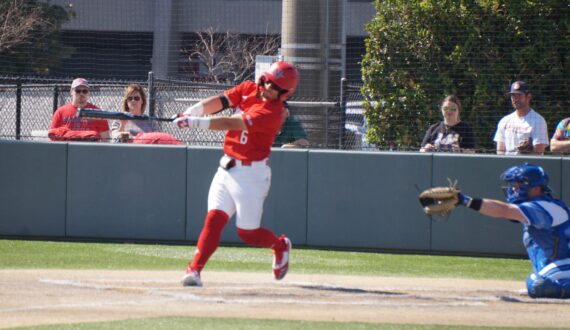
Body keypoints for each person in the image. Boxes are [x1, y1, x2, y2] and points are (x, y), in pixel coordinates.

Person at [173, 61, 298, 287]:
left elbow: (233, 122)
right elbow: (221, 102)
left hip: (251, 176)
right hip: (226, 168)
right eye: (268, 80)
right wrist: (194, 110)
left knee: (248, 233)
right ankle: (194, 271)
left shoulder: (273, 112)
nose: (268, 86)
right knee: (213, 219)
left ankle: (280, 246)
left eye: (275, 86)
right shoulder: (249, 87)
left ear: (284, 93)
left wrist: (194, 122)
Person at [455, 163, 570, 299]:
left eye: (519, 184)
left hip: (565, 266)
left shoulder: (543, 206)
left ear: (536, 188)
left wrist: (465, 201)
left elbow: (505, 210)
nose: (514, 189)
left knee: (537, 285)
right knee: (537, 282)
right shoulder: (540, 206)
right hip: (560, 266)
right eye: (513, 185)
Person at [493, 81, 548, 155]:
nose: (515, 99)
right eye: (513, 95)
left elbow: (539, 152)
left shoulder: (538, 121)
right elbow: (500, 151)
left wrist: (529, 151)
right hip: (507, 165)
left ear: (528, 97)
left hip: (527, 165)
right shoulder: (504, 121)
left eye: (519, 95)